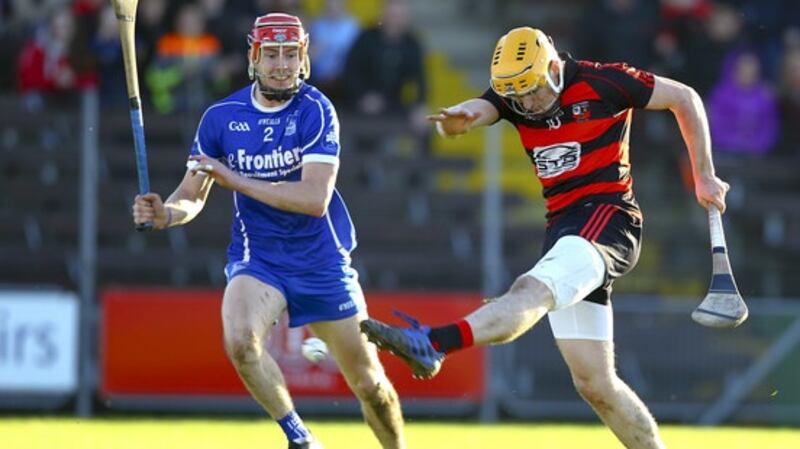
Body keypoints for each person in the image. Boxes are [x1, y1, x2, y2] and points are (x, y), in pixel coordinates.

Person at [360, 27, 730, 449]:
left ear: (553, 69)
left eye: (533, 91)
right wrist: (461, 117)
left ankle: (434, 342)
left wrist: (703, 174)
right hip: (563, 229)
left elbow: (685, 97)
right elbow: (482, 108)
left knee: (528, 289)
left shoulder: (604, 81)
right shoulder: (516, 94)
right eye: (517, 98)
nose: (527, 104)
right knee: (595, 384)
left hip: (608, 220)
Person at [132, 13, 406, 449]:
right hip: (258, 258)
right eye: (272, 54)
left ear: (304, 59)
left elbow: (314, 199)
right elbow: (191, 194)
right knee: (241, 342)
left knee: (371, 384)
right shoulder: (221, 118)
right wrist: (165, 213)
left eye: (291, 54)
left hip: (321, 261)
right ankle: (300, 438)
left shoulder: (317, 109)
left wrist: (234, 179)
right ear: (253, 58)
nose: (282, 65)